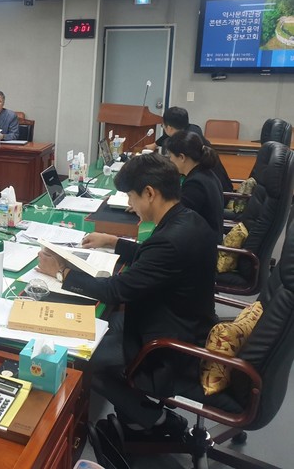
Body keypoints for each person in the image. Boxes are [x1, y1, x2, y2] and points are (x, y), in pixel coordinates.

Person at [36, 153, 217, 438]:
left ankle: (153, 419)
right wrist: (114, 242)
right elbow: (153, 257)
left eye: (132, 196)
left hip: (165, 345)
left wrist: (62, 272)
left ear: (150, 193)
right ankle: (136, 413)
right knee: (99, 328)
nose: (130, 204)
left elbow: (115, 291)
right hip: (180, 322)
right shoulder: (187, 220)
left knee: (82, 359)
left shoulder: (170, 240)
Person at [144, 106, 232, 192]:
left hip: (216, 191)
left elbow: (176, 168)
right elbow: (167, 135)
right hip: (217, 185)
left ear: (169, 128)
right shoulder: (192, 130)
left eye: (163, 126)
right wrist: (155, 144)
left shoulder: (184, 142)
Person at [166, 130, 224, 242]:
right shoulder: (205, 173)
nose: (170, 160)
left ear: (182, 157)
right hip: (205, 239)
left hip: (201, 245)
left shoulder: (195, 184)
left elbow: (178, 217)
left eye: (170, 156)